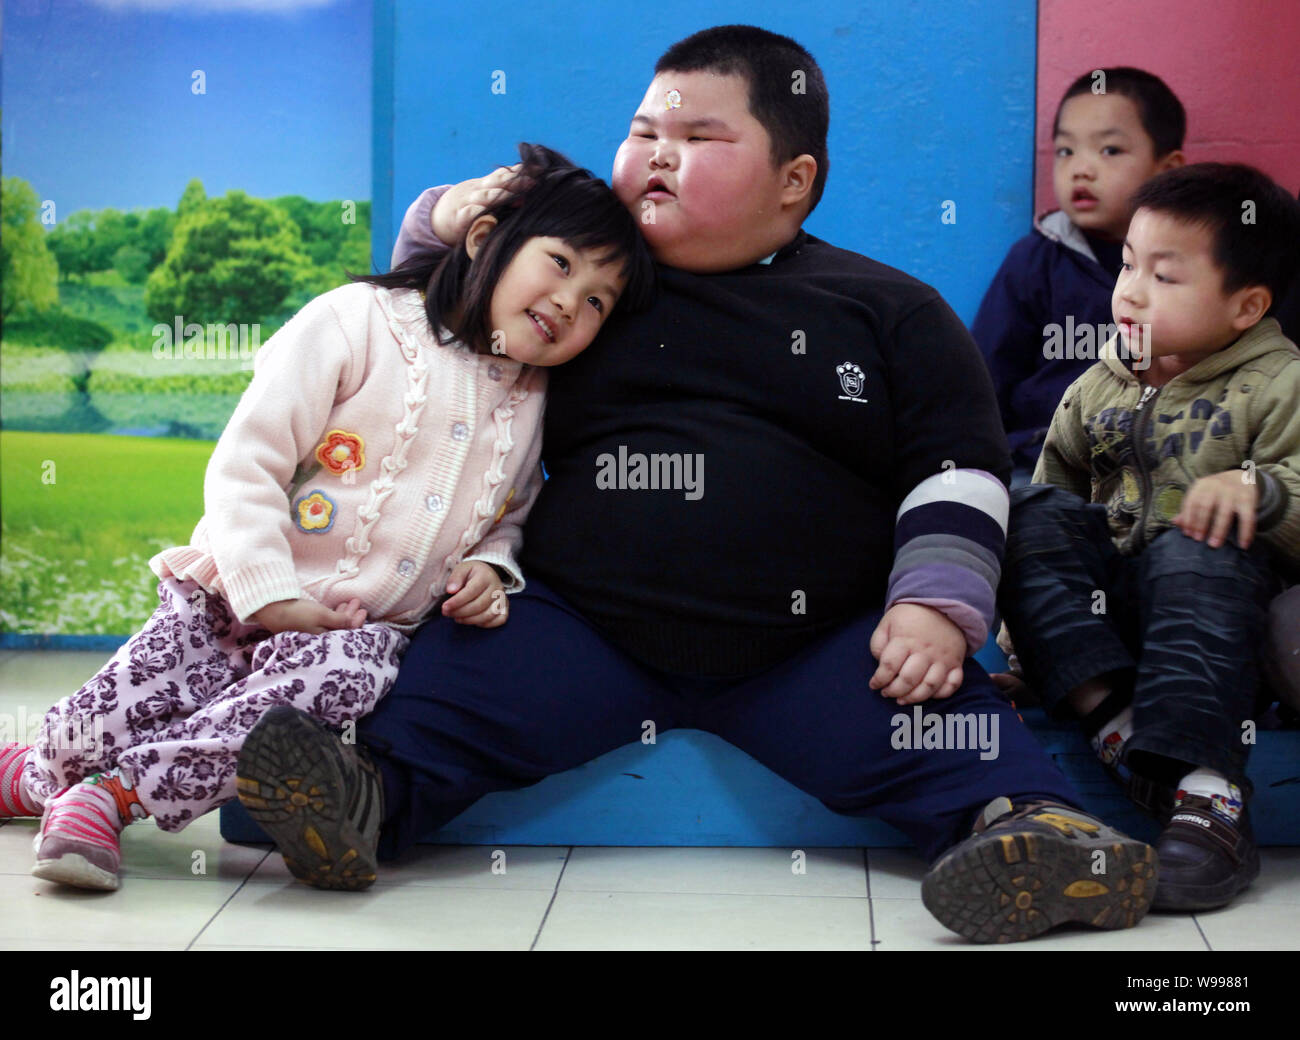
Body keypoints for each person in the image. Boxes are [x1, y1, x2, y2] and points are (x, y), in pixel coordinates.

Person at [238, 25, 1158, 944]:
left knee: (932, 716)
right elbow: (441, 300)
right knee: (451, 686)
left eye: (698, 140)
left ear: (794, 179)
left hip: (816, 642)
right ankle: (362, 799)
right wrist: (452, 212)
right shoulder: (591, 289)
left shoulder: (888, 311)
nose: (656, 159)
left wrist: (935, 603)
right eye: (643, 133)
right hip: (580, 624)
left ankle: (1038, 834)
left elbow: (957, 468)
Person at [0, 143, 654, 892]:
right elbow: (247, 461)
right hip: (230, 598)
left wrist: (489, 566)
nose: (573, 301)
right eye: (562, 264)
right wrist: (268, 591)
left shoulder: (535, 402)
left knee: (308, 706)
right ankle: (43, 772)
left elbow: (510, 514)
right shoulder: (358, 321)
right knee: (100, 721)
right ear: (483, 241)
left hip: (349, 636)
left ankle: (112, 800)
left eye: (599, 299)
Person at [999, 162, 1300, 910]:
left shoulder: (1278, 383)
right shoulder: (1097, 386)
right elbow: (1055, 502)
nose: (1129, 290)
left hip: (1217, 628)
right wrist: (1024, 641)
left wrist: (1258, 489)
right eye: (1128, 263)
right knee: (1021, 509)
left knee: (1195, 543)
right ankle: (1115, 723)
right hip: (1118, 625)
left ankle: (1206, 799)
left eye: (1164, 277)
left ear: (1245, 306)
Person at [973, 67, 1186, 486]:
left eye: (1109, 151)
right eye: (1066, 151)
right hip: (1044, 459)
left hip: (1160, 465)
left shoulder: (1193, 267)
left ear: (1168, 170)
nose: (1081, 170)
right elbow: (984, 375)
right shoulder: (1036, 260)